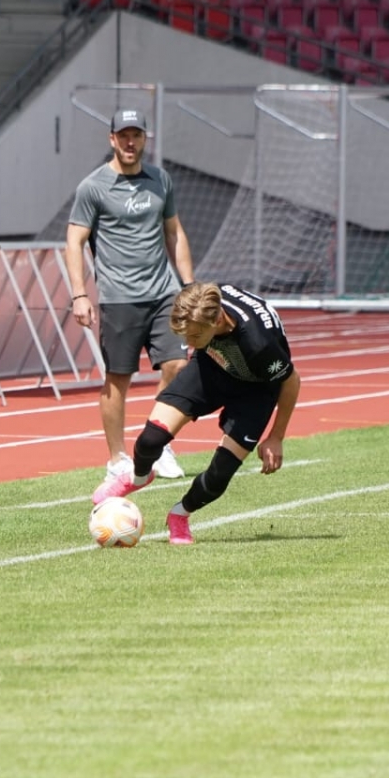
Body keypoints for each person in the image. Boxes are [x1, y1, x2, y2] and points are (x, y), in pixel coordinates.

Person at [92, 281, 301, 544]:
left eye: (193, 337)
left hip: (256, 390)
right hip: (211, 368)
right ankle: (138, 477)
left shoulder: (258, 343)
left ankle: (179, 515)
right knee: (151, 439)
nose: (187, 343)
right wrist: (199, 340)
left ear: (217, 321)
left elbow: (291, 381)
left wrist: (276, 437)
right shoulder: (200, 300)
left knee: (219, 475)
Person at [65, 108, 195, 486]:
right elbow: (74, 241)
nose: (130, 142)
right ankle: (117, 458)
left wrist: (189, 286)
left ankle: (159, 442)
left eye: (136, 135)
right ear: (112, 139)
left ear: (144, 139)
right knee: (118, 378)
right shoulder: (93, 187)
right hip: (119, 297)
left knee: (178, 366)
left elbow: (174, 233)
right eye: (123, 135)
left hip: (164, 292)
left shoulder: (160, 179)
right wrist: (79, 294)